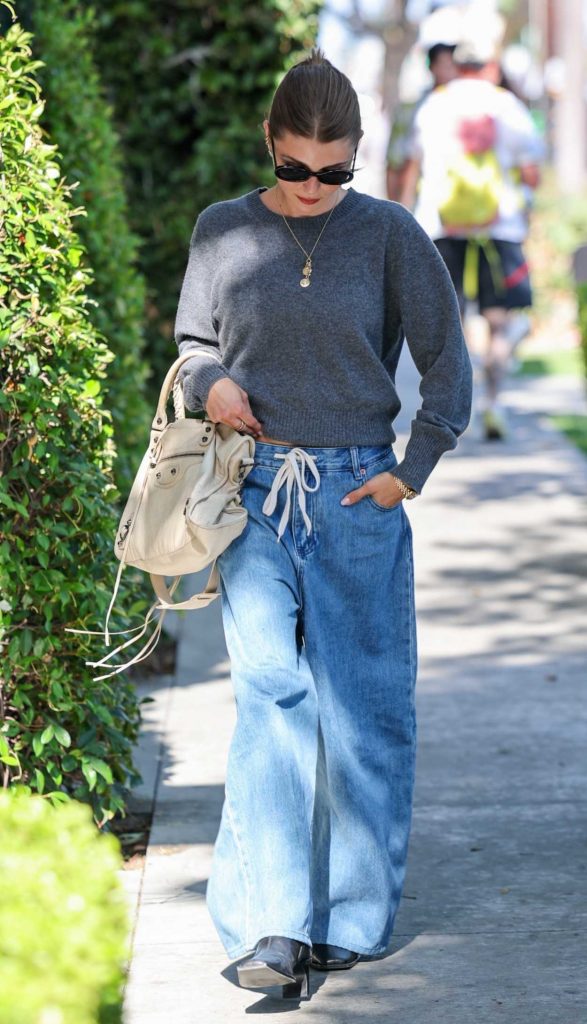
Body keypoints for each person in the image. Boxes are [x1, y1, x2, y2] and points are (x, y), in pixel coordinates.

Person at [174, 47, 472, 999]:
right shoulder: (222, 231)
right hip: (255, 493)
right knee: (269, 696)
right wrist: (211, 381)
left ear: (357, 156)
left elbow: (447, 361)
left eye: (334, 170)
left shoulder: (388, 235)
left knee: (364, 714)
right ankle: (271, 925)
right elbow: (189, 348)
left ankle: (350, 919)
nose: (313, 187)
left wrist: (410, 471)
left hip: (354, 496)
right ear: (270, 143)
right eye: (296, 167)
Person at [400, 36, 543, 440]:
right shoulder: (507, 106)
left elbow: (413, 166)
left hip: (441, 226)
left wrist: (404, 220)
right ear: (490, 66)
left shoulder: (434, 104)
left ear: (456, 65)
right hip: (501, 228)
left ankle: (451, 411)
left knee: (452, 322)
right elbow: (532, 172)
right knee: (500, 323)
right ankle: (494, 403)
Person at [386, 41, 457, 203]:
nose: (452, 71)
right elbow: (394, 162)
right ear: (432, 67)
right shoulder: (410, 110)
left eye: (455, 65)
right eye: (447, 64)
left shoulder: (470, 107)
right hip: (424, 205)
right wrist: (398, 208)